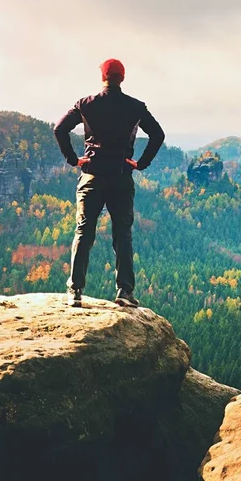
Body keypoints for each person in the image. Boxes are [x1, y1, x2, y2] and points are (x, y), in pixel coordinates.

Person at [53, 58, 165, 308]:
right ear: (122, 78)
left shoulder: (85, 104)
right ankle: (125, 291)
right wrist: (140, 163)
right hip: (121, 177)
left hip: (92, 175)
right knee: (122, 234)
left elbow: (60, 129)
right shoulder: (135, 107)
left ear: (102, 77)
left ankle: (75, 291)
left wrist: (74, 160)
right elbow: (158, 134)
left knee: (84, 231)